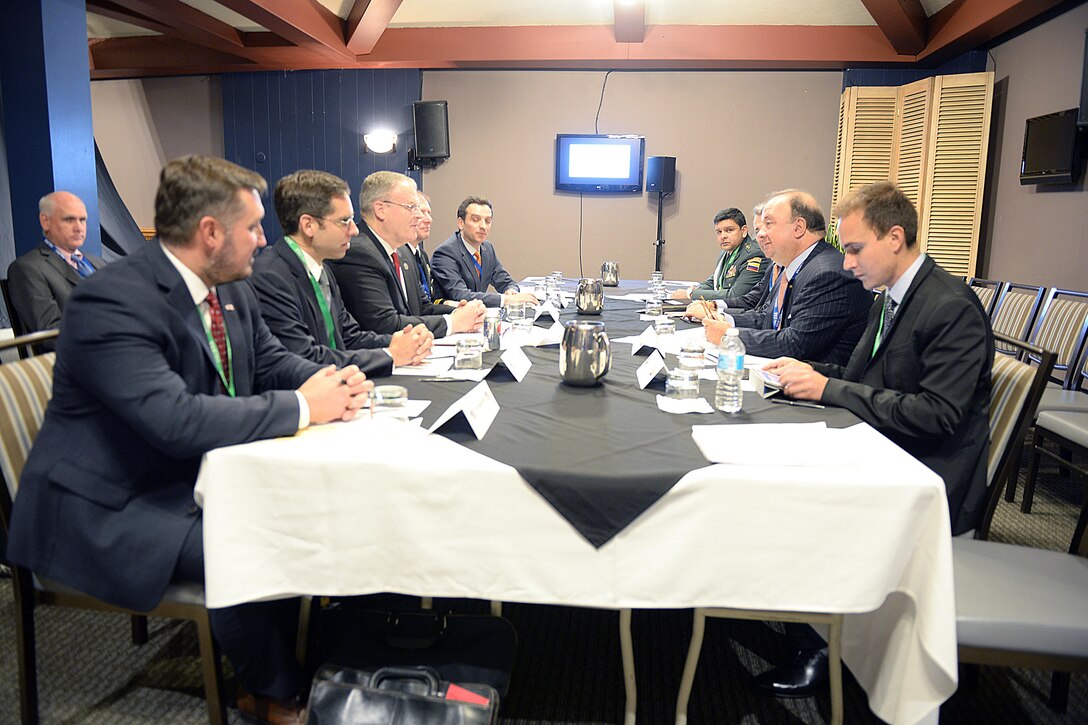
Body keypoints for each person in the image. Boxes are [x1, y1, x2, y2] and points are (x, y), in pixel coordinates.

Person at [5, 156, 372, 725]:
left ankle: (301, 667)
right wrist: (304, 406)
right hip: (110, 504)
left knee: (308, 516)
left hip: (191, 474)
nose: (262, 239)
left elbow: (271, 360)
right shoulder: (113, 300)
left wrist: (332, 384)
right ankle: (279, 696)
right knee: (251, 541)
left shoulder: (230, 285)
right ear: (210, 233)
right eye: (252, 228)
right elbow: (173, 421)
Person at [754, 181, 994, 699]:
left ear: (895, 237)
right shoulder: (891, 297)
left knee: (795, 491)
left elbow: (939, 416)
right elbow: (859, 375)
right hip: (888, 444)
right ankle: (797, 614)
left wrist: (828, 388)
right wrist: (807, 370)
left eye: (856, 249)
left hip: (929, 475)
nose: (846, 264)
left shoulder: (949, 306)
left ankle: (819, 643)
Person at [250, 169, 432, 373]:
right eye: (344, 221)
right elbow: (304, 356)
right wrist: (390, 355)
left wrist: (399, 342)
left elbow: (349, 337)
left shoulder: (322, 268)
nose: (354, 230)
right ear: (308, 225)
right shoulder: (271, 276)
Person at [701, 190, 871, 366]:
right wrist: (724, 319)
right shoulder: (793, 266)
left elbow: (795, 343)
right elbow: (768, 318)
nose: (759, 234)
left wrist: (728, 335)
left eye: (768, 224)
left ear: (798, 228)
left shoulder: (826, 273)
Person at [330, 172, 485, 338]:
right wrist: (452, 322)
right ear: (381, 210)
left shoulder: (403, 252)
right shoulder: (359, 253)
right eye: (411, 207)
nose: (418, 215)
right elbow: (385, 324)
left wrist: (461, 311)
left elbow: (422, 307)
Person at [6, 191, 105, 346]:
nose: (79, 228)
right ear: (45, 221)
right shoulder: (27, 269)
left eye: (82, 220)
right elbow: (50, 332)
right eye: (69, 219)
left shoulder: (99, 263)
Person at [430, 196, 538, 307]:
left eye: (488, 221)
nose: (483, 226)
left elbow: (505, 280)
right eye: (476, 220)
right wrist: (505, 300)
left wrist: (511, 291)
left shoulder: (487, 248)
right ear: (461, 223)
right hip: (453, 317)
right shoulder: (445, 253)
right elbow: (462, 295)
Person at [671, 208, 768, 301]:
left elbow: (736, 295)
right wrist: (692, 290)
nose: (723, 236)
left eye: (729, 230)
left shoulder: (753, 254)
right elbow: (713, 282)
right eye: (719, 232)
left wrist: (692, 295)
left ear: (743, 231)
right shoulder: (725, 254)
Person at [405, 191, 445, 306]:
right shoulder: (398, 256)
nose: (429, 219)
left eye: (429, 213)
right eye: (422, 212)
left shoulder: (422, 255)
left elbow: (430, 300)